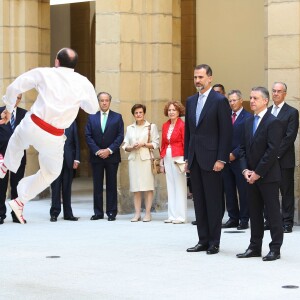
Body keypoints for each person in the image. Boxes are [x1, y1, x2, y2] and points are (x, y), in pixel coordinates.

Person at [0, 47, 99, 224]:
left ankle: (5, 165)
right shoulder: (83, 82)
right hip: (54, 136)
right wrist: (76, 101)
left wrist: (8, 109)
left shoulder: (43, 73)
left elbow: (14, 88)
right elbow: (92, 108)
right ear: (75, 65)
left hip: (33, 125)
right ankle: (20, 200)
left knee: (17, 139)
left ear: (56, 61)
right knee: (51, 173)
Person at [185, 64, 232, 255]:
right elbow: (189, 132)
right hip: (195, 159)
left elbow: (226, 133)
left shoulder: (220, 100)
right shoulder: (190, 101)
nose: (197, 80)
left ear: (210, 78)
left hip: (213, 160)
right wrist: (187, 158)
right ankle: (202, 240)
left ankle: (214, 242)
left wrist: (221, 158)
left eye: (201, 77)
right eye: (195, 77)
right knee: (199, 203)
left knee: (213, 202)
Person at [237, 86, 283, 261]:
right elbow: (242, 149)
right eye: (251, 97)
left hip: (268, 177)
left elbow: (272, 151)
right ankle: (254, 246)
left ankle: (275, 248)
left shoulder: (273, 122)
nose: (252, 101)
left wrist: (257, 172)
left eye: (255, 98)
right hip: (250, 177)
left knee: (272, 214)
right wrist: (245, 170)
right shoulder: (248, 121)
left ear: (265, 101)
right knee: (254, 213)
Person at [264, 82, 299, 233]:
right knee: (270, 191)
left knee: (286, 192)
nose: (276, 94)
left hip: (284, 159)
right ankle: (271, 220)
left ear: (285, 93)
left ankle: (287, 222)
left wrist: (275, 154)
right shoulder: (267, 111)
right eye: (274, 91)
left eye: (279, 91)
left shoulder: (292, 112)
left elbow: (290, 136)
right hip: (268, 161)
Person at [85, 92, 124, 221]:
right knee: (97, 185)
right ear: (98, 102)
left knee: (111, 185)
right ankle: (98, 212)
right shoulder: (92, 117)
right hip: (96, 157)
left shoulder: (117, 117)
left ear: (109, 102)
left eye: (106, 100)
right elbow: (88, 136)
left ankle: (111, 212)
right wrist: (97, 151)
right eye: (102, 100)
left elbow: (120, 136)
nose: (104, 102)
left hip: (112, 157)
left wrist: (109, 150)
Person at [122, 104, 159, 222]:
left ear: (144, 113)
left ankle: (147, 213)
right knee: (136, 188)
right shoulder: (130, 128)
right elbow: (125, 146)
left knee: (148, 187)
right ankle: (137, 213)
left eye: (140, 112)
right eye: (136, 113)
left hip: (146, 159)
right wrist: (131, 147)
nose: (138, 115)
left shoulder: (151, 127)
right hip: (134, 160)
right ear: (133, 115)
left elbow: (156, 143)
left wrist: (143, 144)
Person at [222, 90, 251, 230]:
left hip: (240, 159)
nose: (232, 103)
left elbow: (247, 140)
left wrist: (234, 153)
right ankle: (233, 217)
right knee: (229, 190)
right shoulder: (226, 116)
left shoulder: (248, 117)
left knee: (243, 190)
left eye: (234, 100)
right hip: (226, 160)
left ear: (241, 100)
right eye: (230, 101)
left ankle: (244, 219)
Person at [0, 94, 27, 224]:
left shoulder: (25, 114)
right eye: (14, 96)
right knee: (1, 185)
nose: (16, 99)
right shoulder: (0, 112)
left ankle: (16, 214)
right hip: (2, 156)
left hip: (18, 156)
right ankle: (0, 214)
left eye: (19, 97)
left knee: (17, 185)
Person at [160, 101, 187, 224]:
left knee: (180, 185)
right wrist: (161, 160)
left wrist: (186, 160)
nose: (171, 112)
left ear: (179, 112)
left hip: (179, 156)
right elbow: (163, 144)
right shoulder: (165, 125)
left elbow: (185, 143)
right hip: (167, 156)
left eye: (174, 110)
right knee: (170, 185)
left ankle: (181, 216)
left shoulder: (182, 125)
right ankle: (171, 215)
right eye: (170, 110)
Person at [50, 121, 80, 222]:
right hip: (55, 160)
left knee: (67, 188)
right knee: (55, 188)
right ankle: (54, 213)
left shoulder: (72, 122)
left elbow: (76, 140)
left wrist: (77, 158)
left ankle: (68, 214)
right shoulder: (51, 121)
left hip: (69, 160)